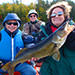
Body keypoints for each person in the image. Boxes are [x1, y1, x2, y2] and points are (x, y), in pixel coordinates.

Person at [38, 1, 75, 75]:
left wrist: (71, 35)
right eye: (53, 15)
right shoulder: (43, 32)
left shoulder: (72, 29)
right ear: (50, 17)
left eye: (60, 14)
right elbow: (40, 55)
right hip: (49, 71)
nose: (56, 16)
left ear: (65, 15)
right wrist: (38, 58)